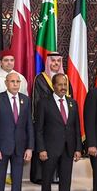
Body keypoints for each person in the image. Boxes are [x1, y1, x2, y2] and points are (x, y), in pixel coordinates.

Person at [34, 73, 82, 191]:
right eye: (60, 84)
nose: (63, 87)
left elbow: (76, 129)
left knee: (65, 182)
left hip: (68, 149)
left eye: (65, 84)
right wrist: (41, 148)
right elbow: (39, 129)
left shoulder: (73, 103)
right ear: (53, 86)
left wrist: (78, 149)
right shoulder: (44, 103)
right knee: (46, 181)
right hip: (49, 150)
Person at [0, 51, 29, 186]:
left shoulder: (20, 78)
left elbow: (24, 103)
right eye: (6, 60)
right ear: (0, 62)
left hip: (17, 128)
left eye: (12, 60)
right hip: (0, 127)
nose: (9, 63)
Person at [30, 52, 68, 184]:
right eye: (53, 61)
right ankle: (40, 177)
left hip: (62, 124)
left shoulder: (65, 79)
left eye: (58, 61)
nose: (56, 63)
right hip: (45, 123)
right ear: (48, 62)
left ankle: (58, 176)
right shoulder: (40, 78)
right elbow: (36, 101)